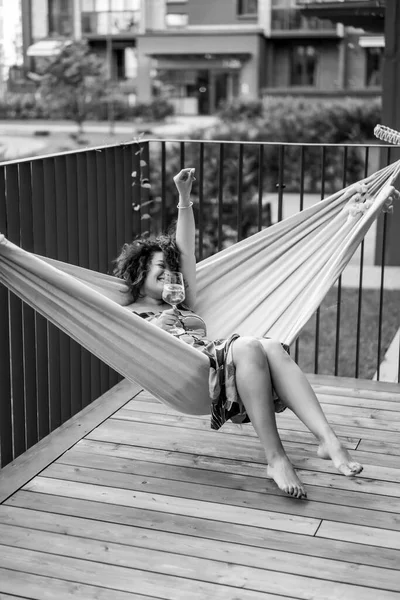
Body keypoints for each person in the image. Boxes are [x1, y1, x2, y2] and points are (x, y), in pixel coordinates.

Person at [114, 167, 363, 500]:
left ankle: (327, 439)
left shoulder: (184, 301)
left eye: (173, 271)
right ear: (138, 270)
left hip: (215, 359)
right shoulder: (128, 314)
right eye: (161, 268)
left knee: (272, 345)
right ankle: (276, 459)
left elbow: (184, 252)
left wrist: (184, 199)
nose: (171, 274)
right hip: (188, 370)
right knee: (248, 344)